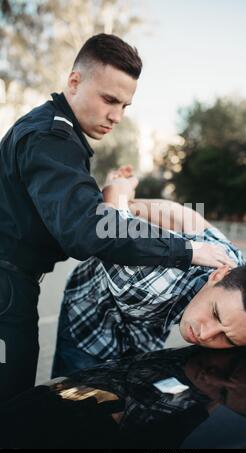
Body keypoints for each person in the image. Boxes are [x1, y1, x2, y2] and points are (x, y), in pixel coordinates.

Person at [0, 33, 215, 401]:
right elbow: (87, 232)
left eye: (125, 106)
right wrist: (186, 250)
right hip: (6, 285)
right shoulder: (51, 138)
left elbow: (69, 216)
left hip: (15, 283)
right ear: (74, 82)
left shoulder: (58, 135)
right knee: (10, 403)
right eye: (109, 100)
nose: (116, 116)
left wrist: (109, 194)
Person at [51, 168, 246, 377]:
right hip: (89, 322)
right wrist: (122, 188)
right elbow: (109, 220)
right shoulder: (144, 283)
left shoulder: (234, 267)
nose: (204, 334)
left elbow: (184, 219)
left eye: (229, 339)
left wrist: (132, 208)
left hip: (143, 331)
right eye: (215, 314)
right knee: (72, 409)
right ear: (217, 275)